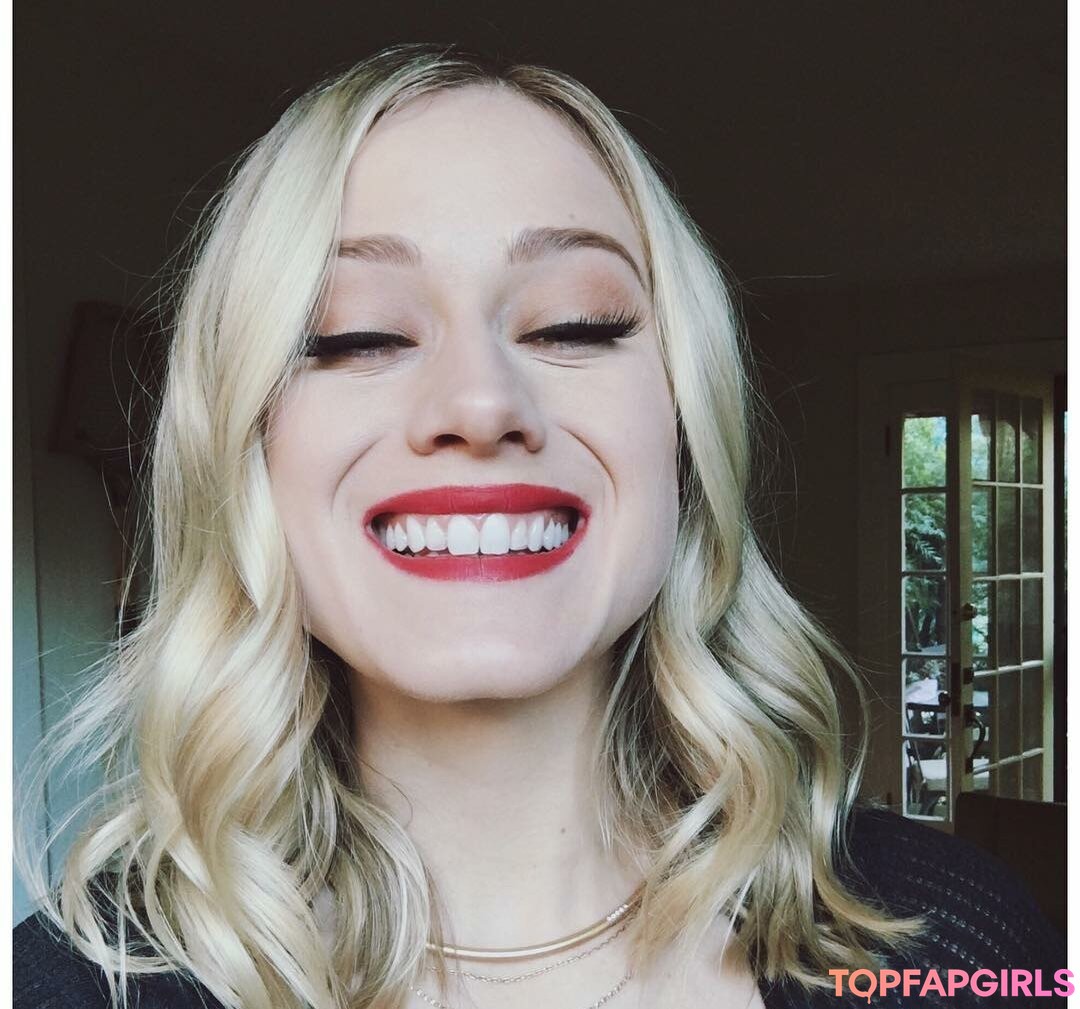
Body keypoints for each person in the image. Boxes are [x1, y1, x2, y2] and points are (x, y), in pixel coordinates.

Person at [14, 45, 1065, 1009]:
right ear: (246, 447)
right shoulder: (63, 988)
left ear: (684, 429)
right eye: (356, 334)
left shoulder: (963, 939)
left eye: (576, 324)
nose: (481, 403)